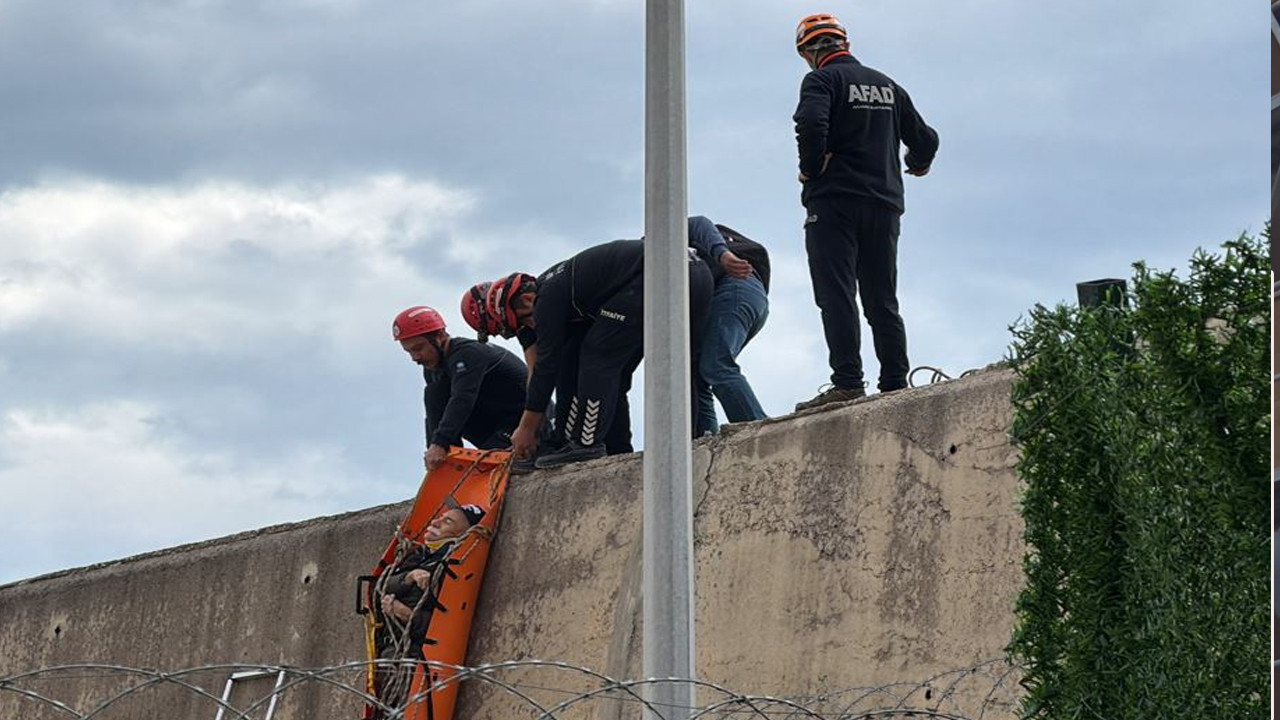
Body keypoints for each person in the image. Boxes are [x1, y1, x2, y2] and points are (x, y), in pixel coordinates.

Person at [791, 12, 939, 411]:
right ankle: (894, 380)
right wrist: (917, 161)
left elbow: (809, 122)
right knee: (882, 297)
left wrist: (809, 167)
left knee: (836, 292)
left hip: (834, 202)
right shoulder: (889, 86)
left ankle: (848, 382)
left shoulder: (820, 80)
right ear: (846, 45)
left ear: (807, 52)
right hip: (884, 204)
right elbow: (925, 139)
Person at [491, 237, 714, 469]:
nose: (532, 330)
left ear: (528, 300)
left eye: (525, 321)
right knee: (671, 364)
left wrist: (527, 428)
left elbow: (546, 366)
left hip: (659, 272)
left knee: (597, 356)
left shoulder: (546, 298)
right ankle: (674, 440)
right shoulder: (569, 294)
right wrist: (553, 440)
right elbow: (567, 369)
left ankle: (586, 445)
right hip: (695, 273)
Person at [392, 306, 527, 470]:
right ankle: (445, 463)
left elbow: (463, 398)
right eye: (409, 352)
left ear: (440, 336)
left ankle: (451, 454)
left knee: (482, 468)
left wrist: (440, 443)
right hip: (492, 423)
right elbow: (435, 412)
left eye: (418, 348)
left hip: (523, 422)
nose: (415, 358)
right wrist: (434, 451)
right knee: (434, 393)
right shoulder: (433, 368)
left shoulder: (467, 353)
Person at [686, 216, 771, 435]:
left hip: (735, 286)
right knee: (697, 372)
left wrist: (722, 254)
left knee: (715, 364)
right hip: (745, 296)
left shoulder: (652, 243)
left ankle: (758, 433)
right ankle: (702, 442)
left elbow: (699, 223)